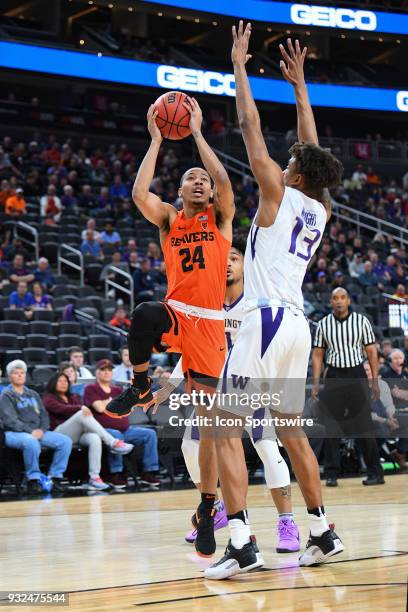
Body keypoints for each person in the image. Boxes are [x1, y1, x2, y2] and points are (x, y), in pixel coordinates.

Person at [203, 27, 344, 580]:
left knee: (221, 425)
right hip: (296, 328)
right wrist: (301, 85)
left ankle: (241, 542)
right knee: (292, 432)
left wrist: (238, 67)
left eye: (292, 163)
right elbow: (309, 147)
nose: (283, 162)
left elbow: (249, 128)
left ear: (297, 176)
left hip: (263, 323)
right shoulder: (321, 207)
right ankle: (321, 532)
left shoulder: (278, 194)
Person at [105, 96, 235, 556]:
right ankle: (140, 384)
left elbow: (222, 178)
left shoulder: (221, 218)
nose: (199, 182)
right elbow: (140, 194)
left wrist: (198, 135)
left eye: (202, 179)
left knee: (208, 428)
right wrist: (157, 139)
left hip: (211, 328)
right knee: (142, 312)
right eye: (190, 179)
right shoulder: (168, 219)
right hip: (177, 313)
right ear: (179, 192)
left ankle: (206, 509)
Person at [155, 240, 301, 553]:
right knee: (190, 445)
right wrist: (168, 388)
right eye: (224, 259)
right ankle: (215, 507)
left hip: (252, 385)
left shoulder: (256, 302)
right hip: (214, 390)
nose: (228, 263)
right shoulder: (208, 306)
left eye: (234, 258)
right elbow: (194, 350)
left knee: (266, 448)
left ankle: (287, 522)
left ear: (246, 265)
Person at [313, 288, 385, 487]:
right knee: (332, 426)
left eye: (342, 297)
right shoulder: (323, 324)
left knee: (364, 425)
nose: (338, 301)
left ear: (348, 300)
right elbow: (318, 354)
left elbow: (371, 351)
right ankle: (332, 473)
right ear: (330, 302)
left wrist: (375, 381)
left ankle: (375, 472)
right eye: (335, 298)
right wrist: (317, 382)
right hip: (334, 375)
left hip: (356, 374)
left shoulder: (361, 321)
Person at [43, 372, 134, 490]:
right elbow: (62, 409)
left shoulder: (74, 397)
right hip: (59, 434)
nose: (63, 383)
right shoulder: (48, 398)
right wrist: (80, 408)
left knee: (94, 438)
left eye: (65, 381)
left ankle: (94, 477)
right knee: (82, 413)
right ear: (53, 383)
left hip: (77, 434)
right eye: (60, 381)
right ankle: (112, 442)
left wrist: (81, 409)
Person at [83, 360, 160, 488]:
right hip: (105, 430)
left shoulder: (117, 389)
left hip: (126, 429)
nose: (107, 372)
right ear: (96, 372)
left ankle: (149, 472)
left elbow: (127, 407)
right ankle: (116, 473)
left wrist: (109, 402)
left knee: (150, 433)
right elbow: (100, 408)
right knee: (116, 434)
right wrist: (115, 403)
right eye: (103, 370)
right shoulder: (91, 388)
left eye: (109, 369)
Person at [0, 360, 72, 494]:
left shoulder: (33, 394)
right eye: (16, 373)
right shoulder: (6, 395)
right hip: (13, 433)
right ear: (10, 377)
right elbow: (10, 420)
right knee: (31, 442)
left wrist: (42, 430)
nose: (20, 375)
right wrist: (30, 431)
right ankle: (33, 479)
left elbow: (44, 415)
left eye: (22, 373)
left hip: (37, 432)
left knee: (65, 441)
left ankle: (54, 478)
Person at [381, 349, 408, 469]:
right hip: (393, 412)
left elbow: (401, 393)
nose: (398, 361)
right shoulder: (387, 374)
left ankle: (400, 452)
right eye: (395, 358)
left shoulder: (405, 374)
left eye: (400, 358)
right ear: (390, 361)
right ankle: (400, 452)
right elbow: (396, 394)